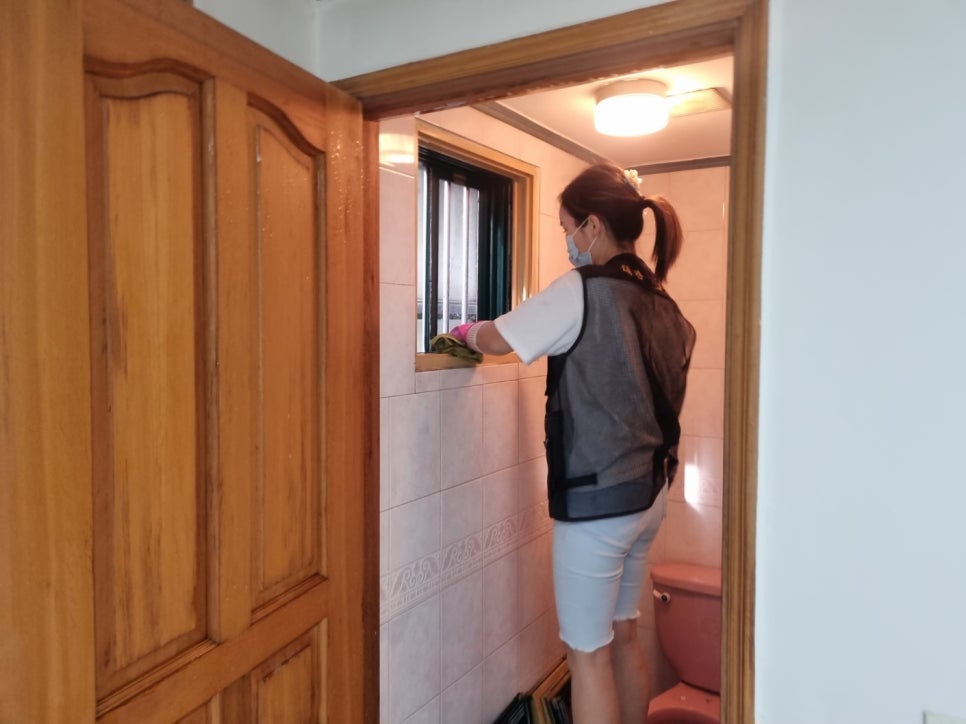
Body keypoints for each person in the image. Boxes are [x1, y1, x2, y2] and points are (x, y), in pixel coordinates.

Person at [450, 162, 696, 724]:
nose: (567, 242)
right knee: (624, 634)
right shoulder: (662, 303)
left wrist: (465, 331)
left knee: (586, 658)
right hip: (649, 497)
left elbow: (500, 340)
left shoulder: (585, 290)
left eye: (566, 228)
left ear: (592, 225)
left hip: (598, 506)